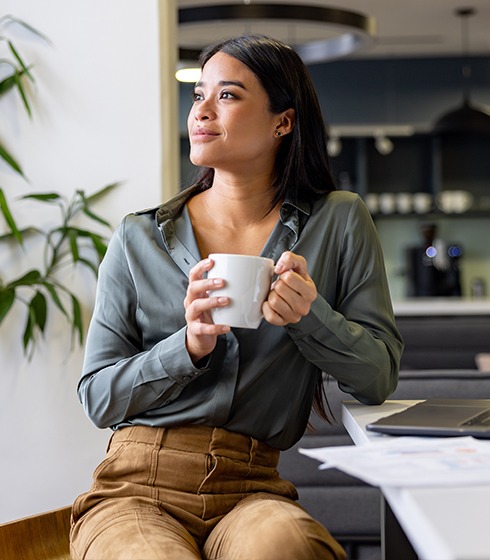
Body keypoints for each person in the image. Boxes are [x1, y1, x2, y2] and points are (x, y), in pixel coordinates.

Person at [70, 34, 403, 560]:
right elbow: (97, 396)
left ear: (283, 122)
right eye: (198, 94)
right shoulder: (139, 237)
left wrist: (308, 316)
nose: (200, 110)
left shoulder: (339, 221)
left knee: (284, 546)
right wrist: (189, 347)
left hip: (251, 489)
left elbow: (378, 378)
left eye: (226, 95)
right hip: (134, 488)